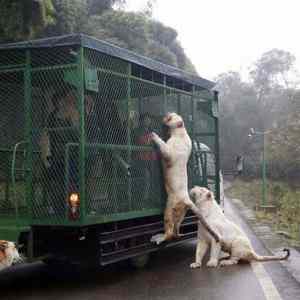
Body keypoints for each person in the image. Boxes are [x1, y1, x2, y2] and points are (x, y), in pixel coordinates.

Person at [132, 113, 162, 203]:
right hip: (141, 159)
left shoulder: (152, 131)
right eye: (145, 119)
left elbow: (156, 143)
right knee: (145, 176)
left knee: (153, 177)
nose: (147, 121)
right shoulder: (136, 131)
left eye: (148, 119)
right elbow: (139, 142)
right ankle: (143, 199)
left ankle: (152, 197)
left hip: (152, 158)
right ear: (141, 121)